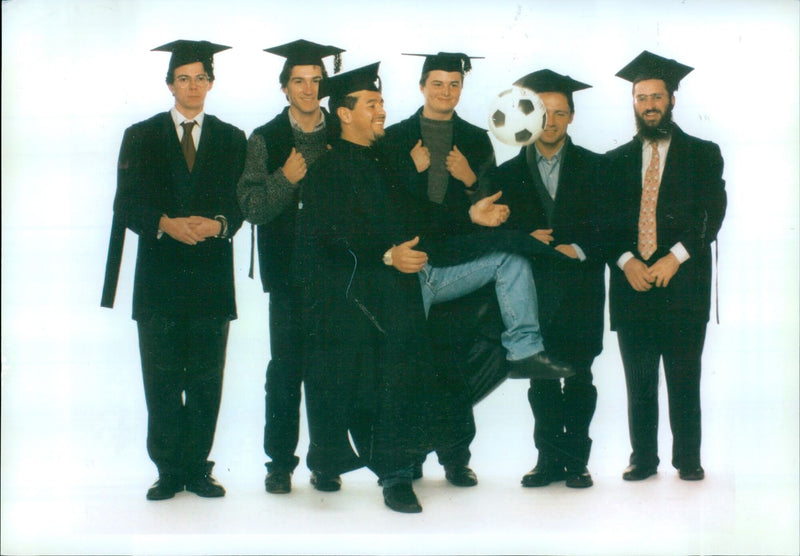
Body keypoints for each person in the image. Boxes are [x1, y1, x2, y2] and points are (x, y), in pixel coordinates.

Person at [381, 52, 573, 487]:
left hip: (461, 266)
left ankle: (455, 459)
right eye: (437, 83)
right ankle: (407, 461)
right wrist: (413, 175)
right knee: (410, 366)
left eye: (454, 84)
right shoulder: (395, 139)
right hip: (411, 269)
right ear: (421, 86)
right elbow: (388, 207)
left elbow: (489, 207)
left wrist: (470, 180)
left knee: (454, 362)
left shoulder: (473, 138)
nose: (445, 92)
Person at [101, 40, 246, 500]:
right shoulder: (141, 135)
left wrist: (219, 224)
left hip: (209, 277)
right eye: (183, 77)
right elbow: (125, 202)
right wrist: (163, 224)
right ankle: (168, 469)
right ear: (169, 83)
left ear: (212, 82)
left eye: (201, 77)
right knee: (160, 378)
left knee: (206, 378)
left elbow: (240, 206)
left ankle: (197, 469)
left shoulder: (231, 137)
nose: (193, 85)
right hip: (159, 278)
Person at [295, 62, 440, 513]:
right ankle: (351, 467)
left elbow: (416, 218)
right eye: (372, 104)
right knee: (351, 383)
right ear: (343, 113)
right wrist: (384, 255)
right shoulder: (325, 171)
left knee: (402, 379)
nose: (382, 111)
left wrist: (468, 218)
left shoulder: (388, 161)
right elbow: (326, 242)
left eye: (381, 103)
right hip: (351, 300)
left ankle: (396, 471)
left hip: (396, 294)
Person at [605, 51, 726, 482]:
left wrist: (676, 256)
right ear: (633, 103)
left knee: (683, 376)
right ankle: (643, 458)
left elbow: (712, 211)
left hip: (683, 284)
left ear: (672, 99)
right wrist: (625, 262)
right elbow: (603, 222)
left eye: (657, 96)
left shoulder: (703, 154)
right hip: (632, 284)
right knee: (638, 382)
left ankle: (688, 458)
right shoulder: (614, 161)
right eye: (641, 98)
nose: (649, 104)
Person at [236, 39, 345, 495]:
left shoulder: (341, 134)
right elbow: (251, 207)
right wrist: (286, 178)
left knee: (331, 367)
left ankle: (328, 462)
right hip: (287, 275)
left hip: (339, 272)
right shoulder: (264, 138)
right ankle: (279, 463)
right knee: (285, 370)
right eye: (298, 81)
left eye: (315, 80)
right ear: (284, 88)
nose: (307, 88)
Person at [491, 70, 605, 489]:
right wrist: (525, 240)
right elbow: (494, 233)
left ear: (572, 116)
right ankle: (547, 460)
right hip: (531, 293)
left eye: (560, 113)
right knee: (540, 379)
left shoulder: (598, 167)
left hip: (580, 290)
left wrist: (574, 248)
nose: (552, 122)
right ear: (530, 116)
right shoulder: (505, 176)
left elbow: (610, 227)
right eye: (544, 113)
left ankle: (576, 461)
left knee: (579, 375)